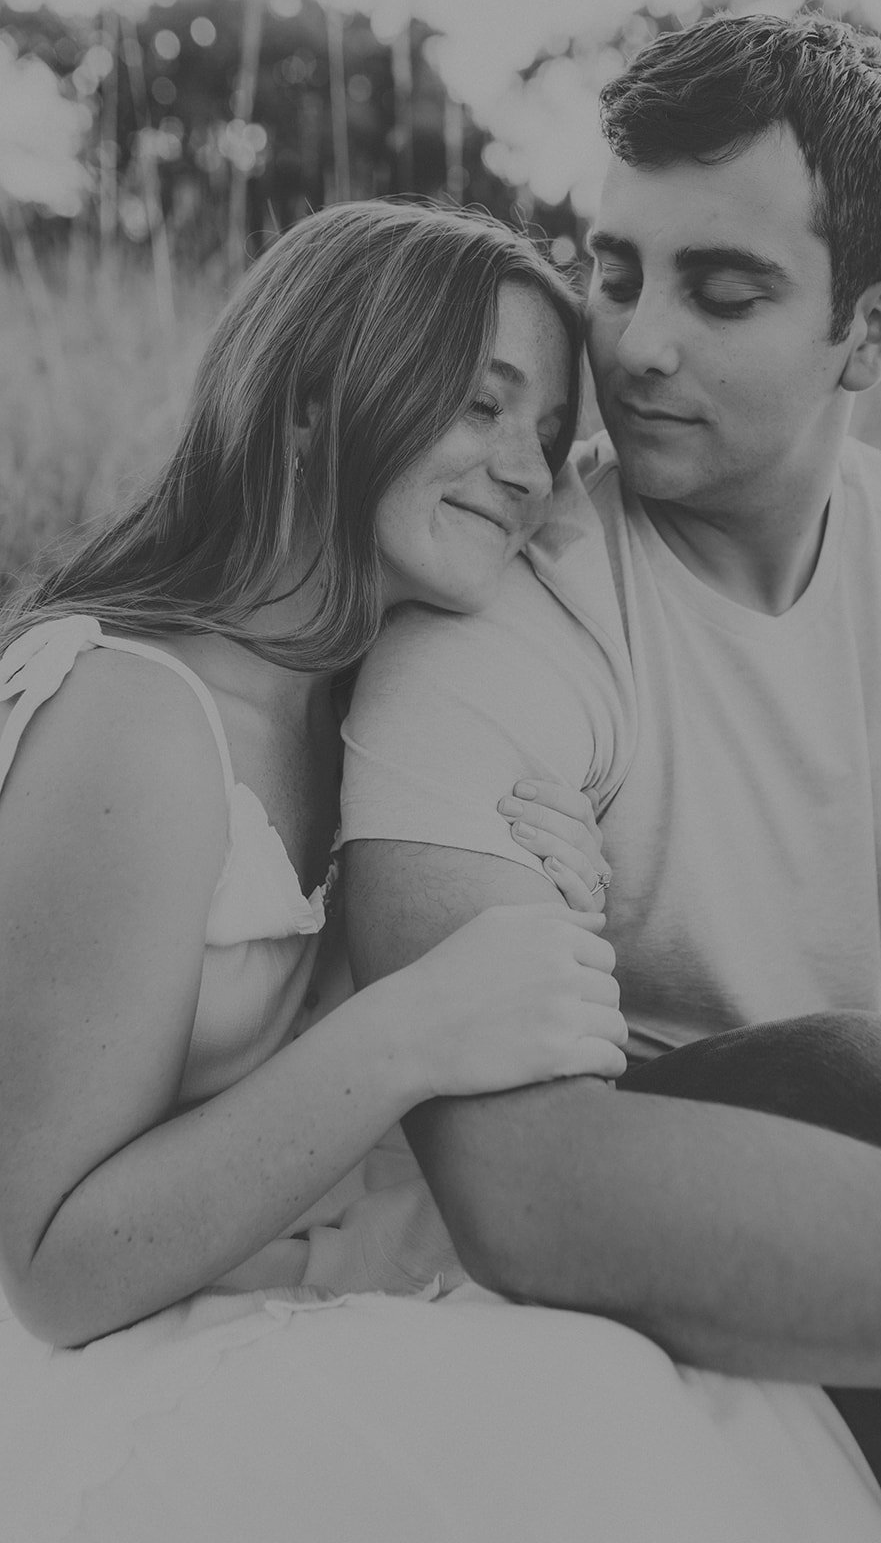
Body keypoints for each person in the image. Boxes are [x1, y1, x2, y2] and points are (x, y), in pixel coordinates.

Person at [340, 13, 881, 1541]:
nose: (636, 344)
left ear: (871, 330)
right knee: (853, 1078)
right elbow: (520, 1186)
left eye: (723, 292)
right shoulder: (503, 614)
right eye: (614, 274)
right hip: (656, 1159)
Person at [0, 200, 750, 1543]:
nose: (527, 474)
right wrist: (417, 1024)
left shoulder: (362, 708)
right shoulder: (134, 719)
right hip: (122, 1361)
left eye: (547, 433)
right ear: (309, 405)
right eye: (480, 404)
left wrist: (534, 907)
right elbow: (53, 1270)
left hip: (319, 1272)